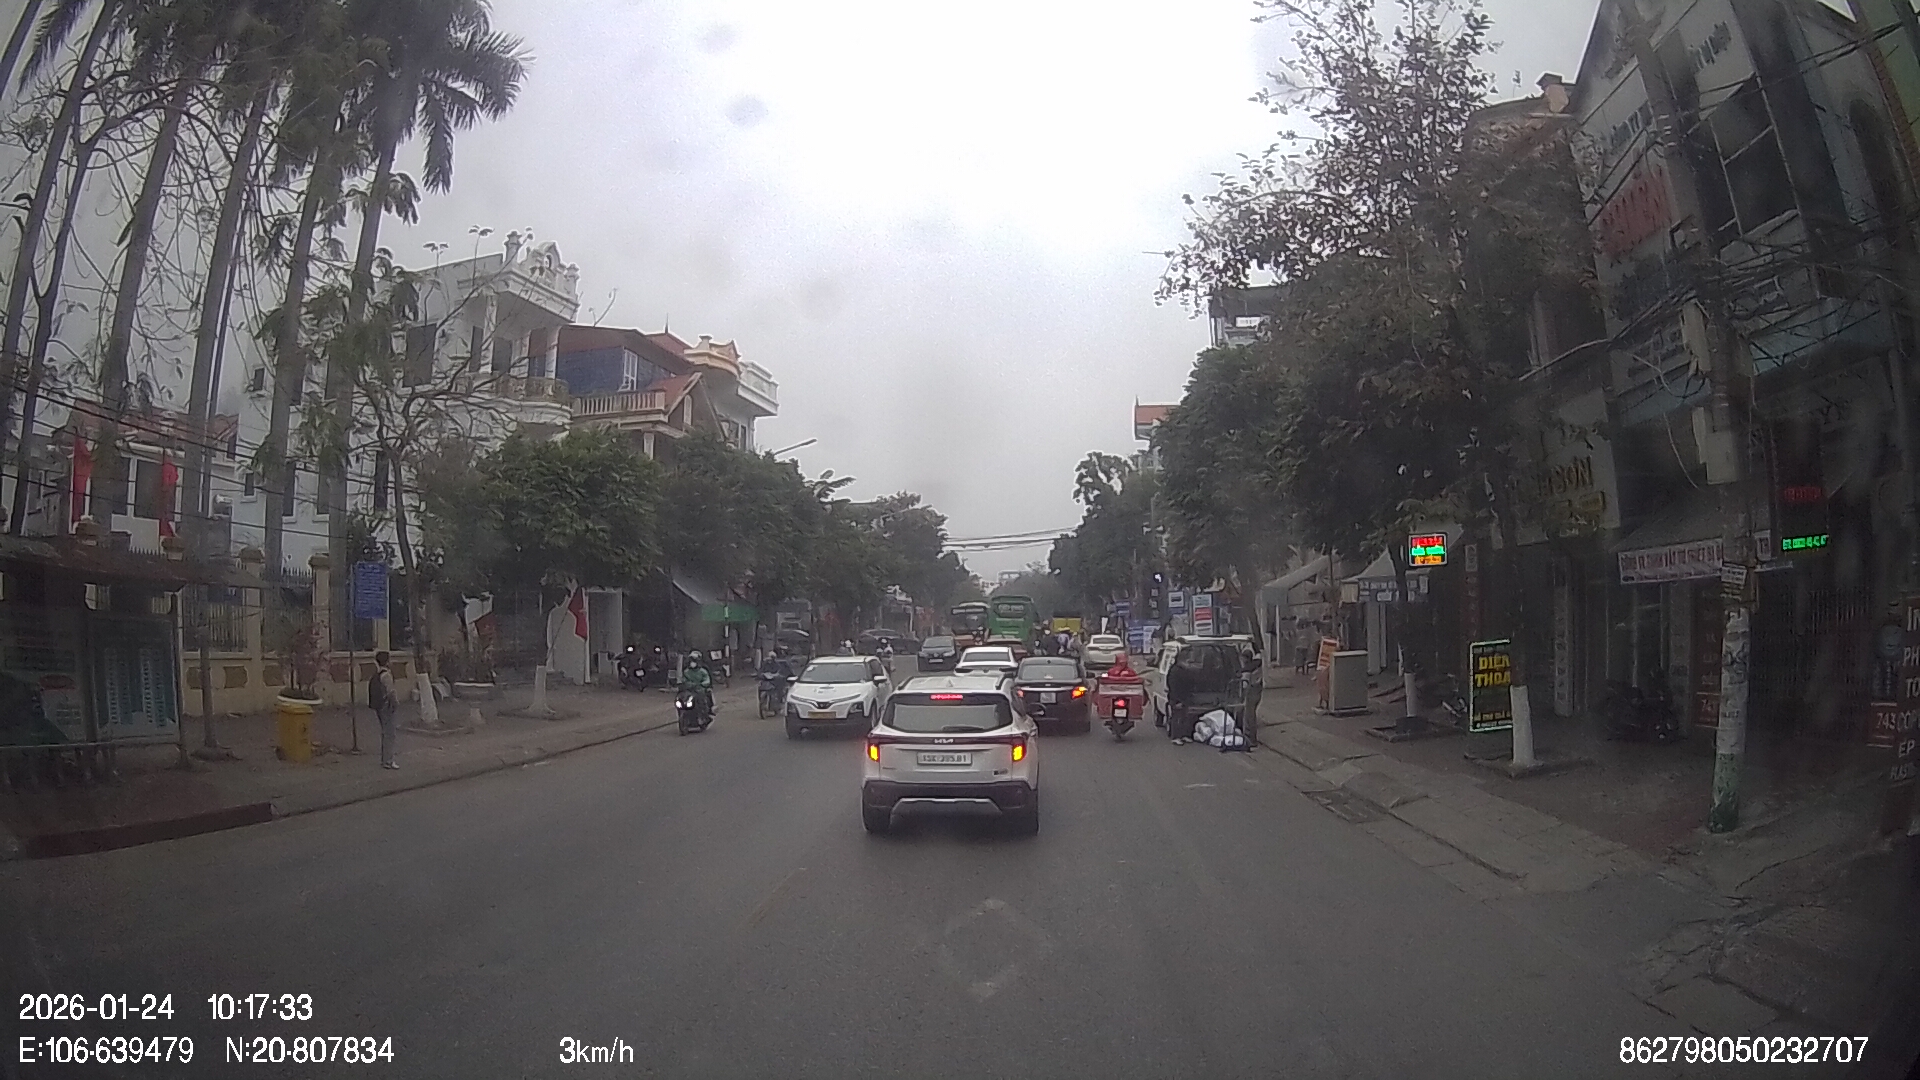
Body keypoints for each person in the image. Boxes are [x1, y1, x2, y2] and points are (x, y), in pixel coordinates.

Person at [371, 651, 399, 770]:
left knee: (385, 732)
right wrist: (396, 703)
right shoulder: (386, 675)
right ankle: (388, 761)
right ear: (387, 661)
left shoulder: (378, 674)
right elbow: (391, 691)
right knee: (390, 734)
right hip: (387, 706)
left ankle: (385, 760)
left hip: (379, 706)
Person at [679, 652, 714, 719]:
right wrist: (685, 684)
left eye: (694, 661)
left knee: (707, 695)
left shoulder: (703, 671)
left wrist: (702, 684)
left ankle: (708, 711)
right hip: (689, 690)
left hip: (700, 690)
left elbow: (707, 680)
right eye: (691, 661)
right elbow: (683, 680)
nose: (692, 663)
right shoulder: (686, 672)